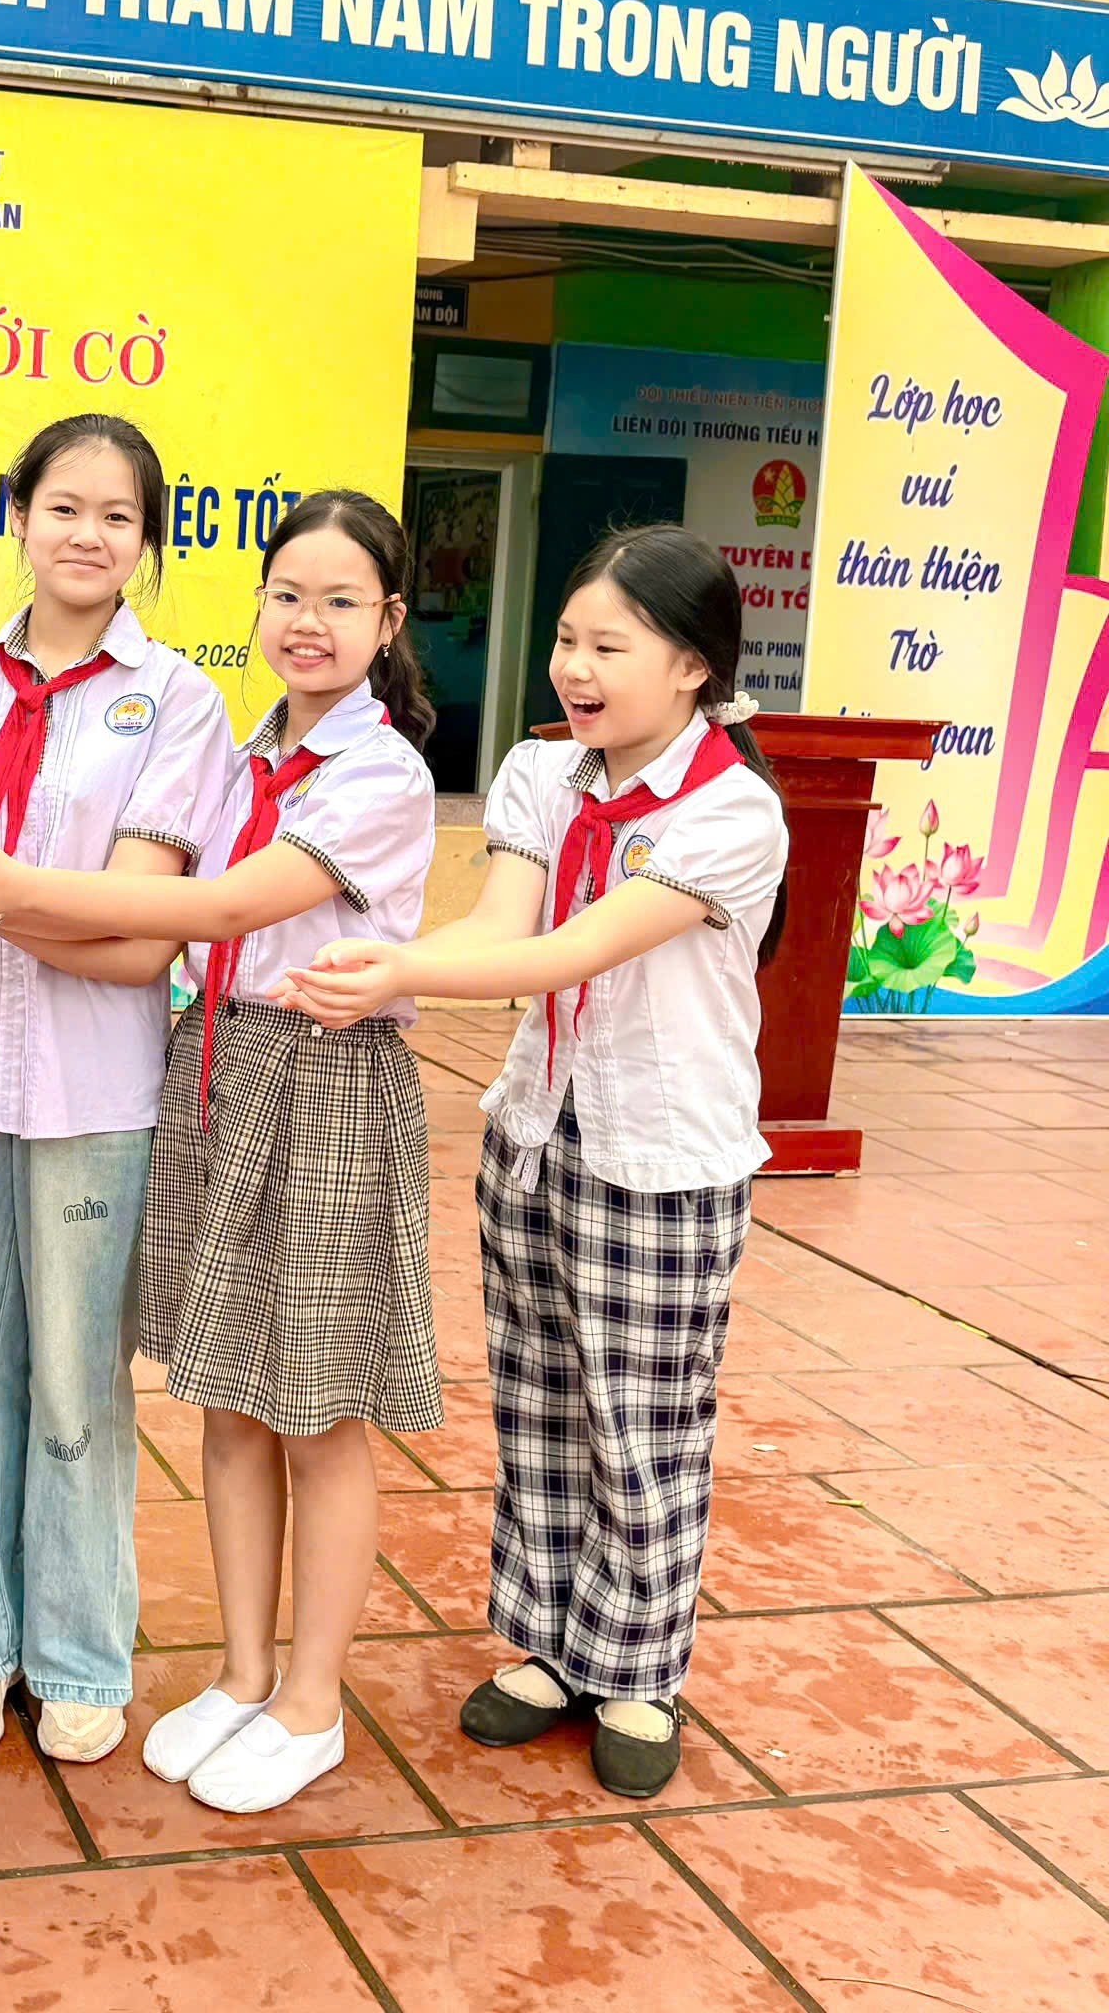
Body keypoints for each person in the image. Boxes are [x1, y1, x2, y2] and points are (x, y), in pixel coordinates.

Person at [0, 489, 440, 1814]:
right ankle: (242, 1674)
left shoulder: (377, 772)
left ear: (389, 621)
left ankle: (308, 1700)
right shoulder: (246, 754)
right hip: (217, 1069)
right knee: (228, 1397)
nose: (307, 623)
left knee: (315, 1404)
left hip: (323, 1079)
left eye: (340, 601)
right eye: (287, 595)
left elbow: (212, 908)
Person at [280, 523, 788, 1802]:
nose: (574, 666)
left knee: (644, 1419)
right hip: (535, 1130)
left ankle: (639, 1668)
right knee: (542, 1400)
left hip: (662, 1155)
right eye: (567, 639)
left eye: (609, 646)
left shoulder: (730, 811)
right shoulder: (539, 773)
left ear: (692, 666)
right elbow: (503, 921)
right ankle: (555, 1647)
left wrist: (397, 972)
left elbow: (575, 948)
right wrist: (392, 955)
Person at [0, 414, 233, 1767]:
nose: (88, 535)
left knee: (80, 1379)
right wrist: (9, 901)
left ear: (148, 540)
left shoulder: (178, 702)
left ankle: (81, 1651)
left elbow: (143, 929)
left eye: (119, 516)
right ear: (16, 513)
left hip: (98, 1092)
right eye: (65, 507)